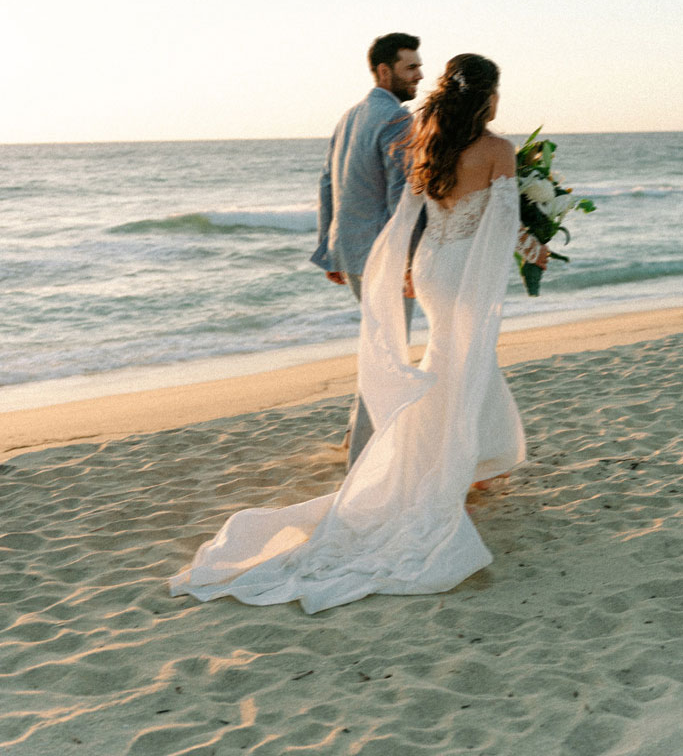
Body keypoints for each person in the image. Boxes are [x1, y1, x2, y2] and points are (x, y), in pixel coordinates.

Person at [170, 54, 548, 613]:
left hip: (431, 265)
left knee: (451, 361)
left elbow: (408, 215)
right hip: (463, 270)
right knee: (461, 363)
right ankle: (451, 471)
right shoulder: (498, 150)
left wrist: (400, 268)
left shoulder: (427, 139)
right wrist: (535, 248)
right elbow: (499, 226)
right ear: (488, 95)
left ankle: (471, 464)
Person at [310, 32, 423, 467]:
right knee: (389, 355)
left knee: (377, 347)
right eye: (410, 67)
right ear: (383, 70)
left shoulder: (349, 117)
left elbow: (326, 185)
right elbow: (402, 199)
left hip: (351, 250)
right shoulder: (396, 119)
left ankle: (353, 439)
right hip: (383, 258)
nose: (419, 75)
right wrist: (410, 261)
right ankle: (364, 456)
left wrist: (328, 248)